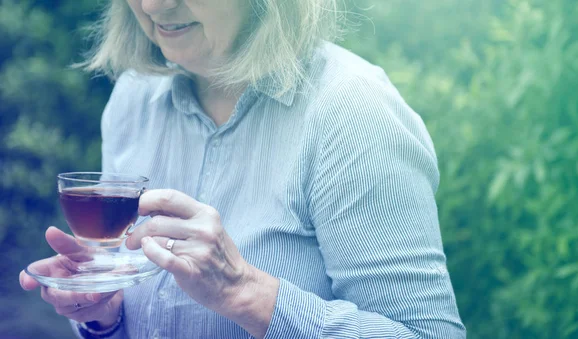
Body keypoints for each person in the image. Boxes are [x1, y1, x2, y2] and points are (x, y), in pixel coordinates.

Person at [20, 0, 466, 338]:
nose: (152, 6)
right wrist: (105, 315)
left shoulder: (351, 111)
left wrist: (246, 293)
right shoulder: (134, 99)